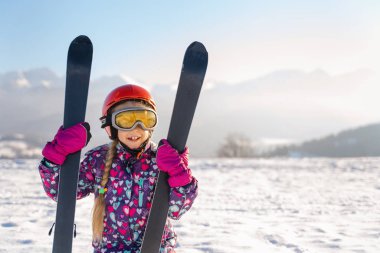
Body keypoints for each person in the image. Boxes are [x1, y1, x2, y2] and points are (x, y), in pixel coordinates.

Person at [38, 84, 198, 253]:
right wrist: (54, 155)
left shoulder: (162, 160)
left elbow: (177, 209)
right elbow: (60, 192)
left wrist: (179, 172)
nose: (136, 127)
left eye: (144, 119)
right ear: (111, 125)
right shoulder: (98, 160)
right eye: (126, 120)